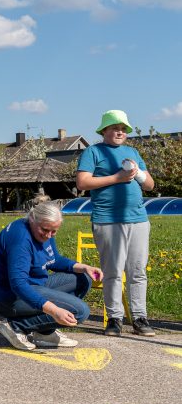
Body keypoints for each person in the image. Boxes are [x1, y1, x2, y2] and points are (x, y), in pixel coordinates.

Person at [76, 109, 156, 337]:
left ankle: (140, 318)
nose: (119, 132)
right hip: (108, 220)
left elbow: (149, 185)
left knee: (137, 271)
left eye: (123, 129)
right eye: (114, 128)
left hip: (138, 219)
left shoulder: (133, 152)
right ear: (104, 131)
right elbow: (82, 182)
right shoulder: (93, 152)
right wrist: (117, 178)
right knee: (112, 272)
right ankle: (114, 319)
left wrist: (138, 172)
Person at [0, 202, 103, 351]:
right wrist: (54, 310)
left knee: (83, 278)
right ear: (32, 219)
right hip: (10, 297)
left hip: (34, 285)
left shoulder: (43, 230)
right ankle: (15, 326)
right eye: (45, 230)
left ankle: (44, 333)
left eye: (54, 231)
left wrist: (85, 267)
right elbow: (18, 284)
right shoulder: (20, 240)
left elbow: (53, 260)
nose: (48, 235)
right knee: (80, 311)